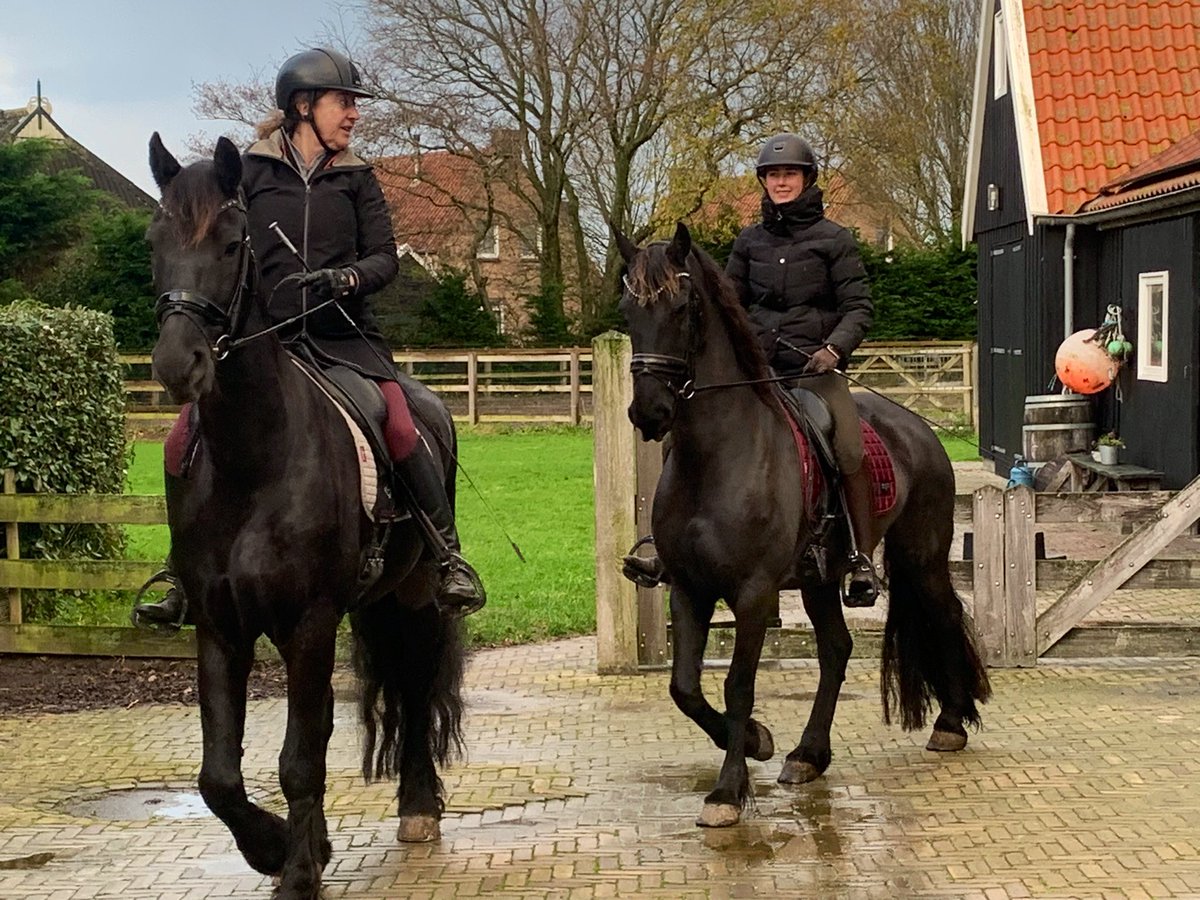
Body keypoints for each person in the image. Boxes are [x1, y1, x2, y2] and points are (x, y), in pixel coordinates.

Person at [133, 47, 485, 628]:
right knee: (182, 439)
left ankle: (446, 555)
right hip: (263, 344)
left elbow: (384, 259)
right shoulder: (248, 175)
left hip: (344, 341)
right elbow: (211, 234)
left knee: (401, 420)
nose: (353, 114)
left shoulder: (357, 177)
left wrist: (345, 277)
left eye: (353, 104)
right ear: (303, 106)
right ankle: (180, 568)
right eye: (342, 102)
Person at [623, 132, 882, 607]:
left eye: (790, 174)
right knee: (688, 434)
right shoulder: (749, 241)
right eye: (773, 175)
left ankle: (860, 558)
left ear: (807, 179)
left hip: (814, 369)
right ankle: (665, 547)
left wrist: (834, 348)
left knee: (846, 445)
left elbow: (859, 307)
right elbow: (728, 305)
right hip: (757, 371)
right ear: (764, 182)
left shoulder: (834, 239)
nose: (781, 182)